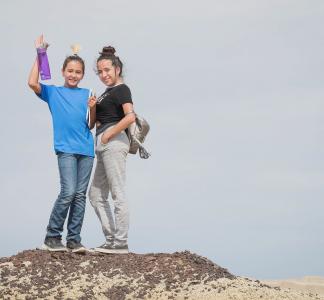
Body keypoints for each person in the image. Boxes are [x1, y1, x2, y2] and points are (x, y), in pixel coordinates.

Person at [28, 35, 94, 253]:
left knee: (80, 195)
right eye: (70, 71)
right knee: (68, 192)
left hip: (86, 150)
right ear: (63, 72)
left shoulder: (88, 94)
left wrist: (93, 107)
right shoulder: (53, 92)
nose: (73, 75)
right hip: (65, 149)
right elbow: (32, 82)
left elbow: (92, 124)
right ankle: (52, 237)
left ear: (82, 75)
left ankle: (74, 240)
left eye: (78, 72)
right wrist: (40, 55)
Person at [88, 46, 136, 254]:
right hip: (102, 144)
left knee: (117, 193)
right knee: (95, 194)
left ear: (117, 68)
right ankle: (111, 240)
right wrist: (92, 107)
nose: (104, 74)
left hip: (114, 142)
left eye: (107, 69)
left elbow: (130, 116)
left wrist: (108, 135)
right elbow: (91, 124)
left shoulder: (122, 89)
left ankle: (121, 242)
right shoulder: (105, 93)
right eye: (100, 71)